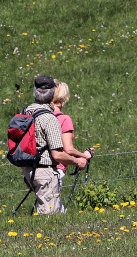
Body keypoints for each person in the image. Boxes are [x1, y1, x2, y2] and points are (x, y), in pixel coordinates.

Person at [20, 76, 88, 214]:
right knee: (50, 215)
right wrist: (80, 159)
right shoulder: (51, 118)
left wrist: (27, 174)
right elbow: (59, 153)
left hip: (29, 168)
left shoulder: (26, 112)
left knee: (56, 211)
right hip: (47, 169)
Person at [50, 80, 93, 185]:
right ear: (63, 98)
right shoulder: (64, 119)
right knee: (52, 196)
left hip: (35, 170)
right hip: (55, 169)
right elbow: (68, 149)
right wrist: (84, 155)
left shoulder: (40, 116)